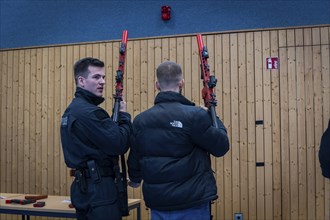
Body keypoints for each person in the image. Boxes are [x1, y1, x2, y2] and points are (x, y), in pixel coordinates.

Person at [127, 61, 230, 220]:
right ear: (182, 82)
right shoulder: (195, 116)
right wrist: (212, 115)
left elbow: (135, 156)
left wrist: (134, 179)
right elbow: (221, 146)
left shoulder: (140, 121)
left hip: (158, 202)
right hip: (192, 201)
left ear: (157, 85)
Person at [60, 57, 132, 220]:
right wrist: (124, 116)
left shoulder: (72, 110)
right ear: (81, 80)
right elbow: (119, 144)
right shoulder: (90, 113)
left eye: (104, 77)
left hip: (84, 187)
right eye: (96, 77)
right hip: (99, 190)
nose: (102, 82)